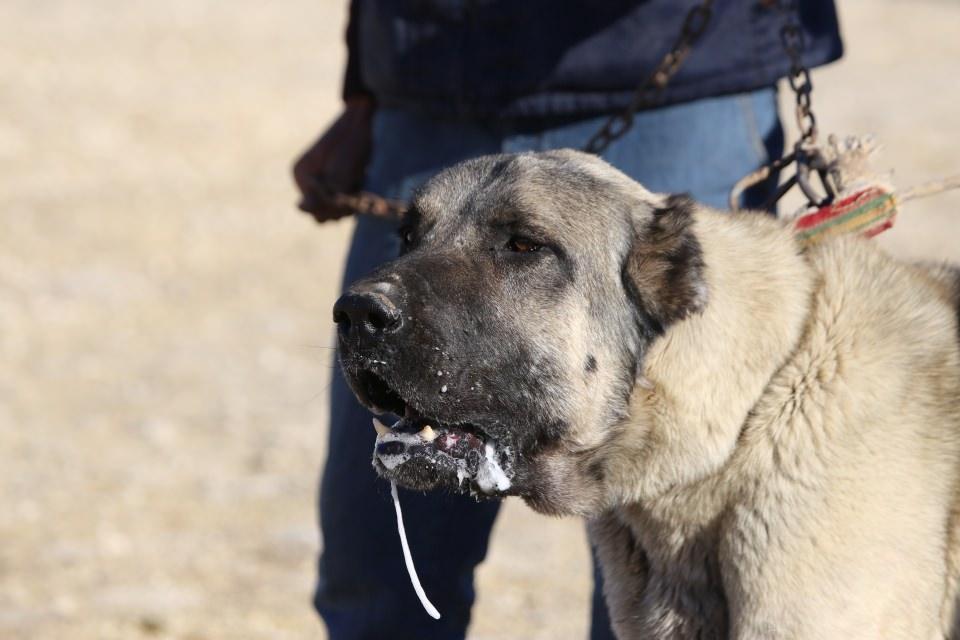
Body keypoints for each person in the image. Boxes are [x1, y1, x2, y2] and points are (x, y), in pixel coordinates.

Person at [293, 2, 842, 638]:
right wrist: (365, 87)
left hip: (676, 74)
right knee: (377, 582)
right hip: (433, 82)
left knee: (682, 603)